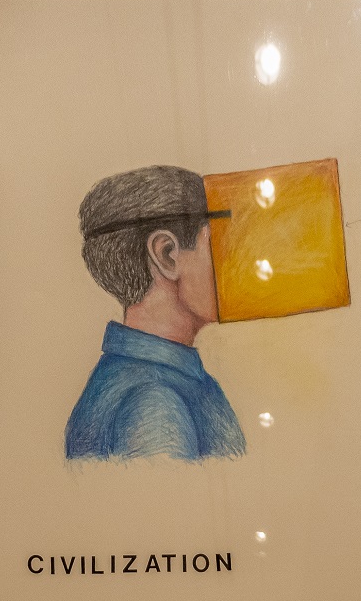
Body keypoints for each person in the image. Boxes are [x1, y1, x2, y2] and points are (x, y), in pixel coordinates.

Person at [65, 165, 246, 462]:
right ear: (167, 254)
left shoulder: (152, 380)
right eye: (219, 244)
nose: (234, 264)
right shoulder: (154, 401)